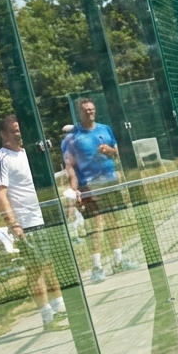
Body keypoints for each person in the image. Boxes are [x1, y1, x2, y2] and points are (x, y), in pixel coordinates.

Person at [0, 115, 68, 331]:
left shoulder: (29, 154)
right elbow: (0, 194)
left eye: (21, 129)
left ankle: (59, 309)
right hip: (25, 223)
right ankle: (48, 317)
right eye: (15, 130)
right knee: (36, 269)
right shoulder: (0, 160)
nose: (19, 134)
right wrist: (13, 223)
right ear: (4, 134)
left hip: (44, 219)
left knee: (50, 264)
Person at [63, 98, 138, 282]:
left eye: (92, 109)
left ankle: (118, 260)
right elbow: (70, 167)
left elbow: (117, 152)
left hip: (110, 182)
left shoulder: (105, 129)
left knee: (114, 221)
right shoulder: (72, 138)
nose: (90, 112)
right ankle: (97, 267)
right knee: (96, 225)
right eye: (86, 110)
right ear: (80, 113)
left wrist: (109, 151)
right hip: (89, 185)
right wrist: (75, 191)